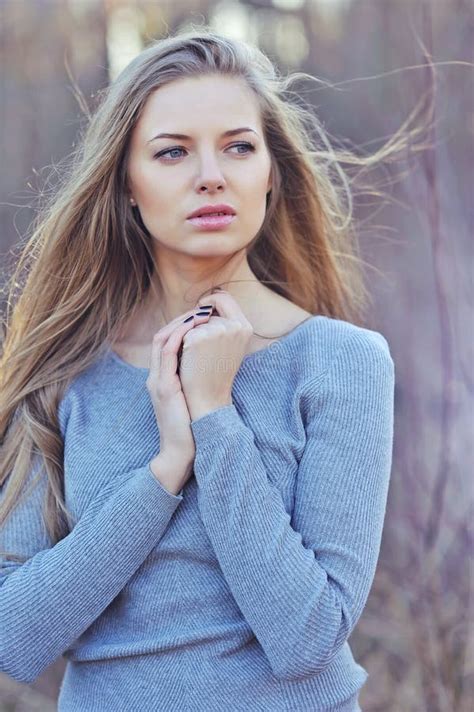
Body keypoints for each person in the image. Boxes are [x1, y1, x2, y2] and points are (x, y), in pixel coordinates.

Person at [0, 28, 401, 712]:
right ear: (126, 184)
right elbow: (14, 637)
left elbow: (308, 637)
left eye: (238, 146)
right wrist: (163, 471)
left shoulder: (342, 362)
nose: (210, 174)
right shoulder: (69, 370)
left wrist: (216, 418)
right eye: (172, 151)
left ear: (271, 173)